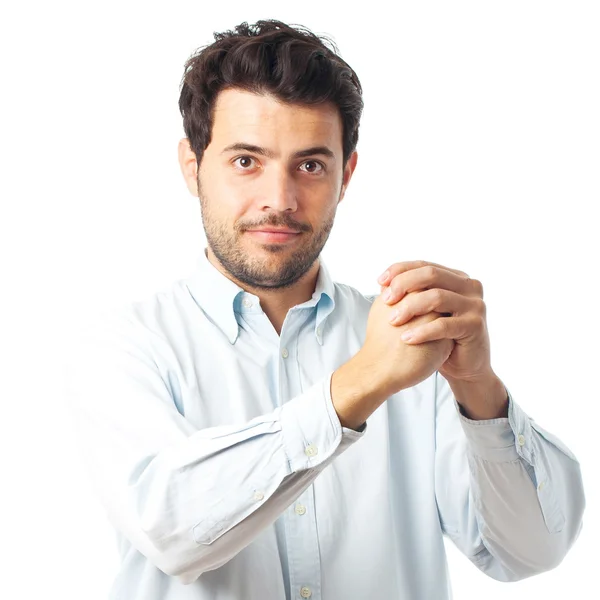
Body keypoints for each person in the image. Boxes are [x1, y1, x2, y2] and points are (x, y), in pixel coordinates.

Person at [65, 18, 586, 600]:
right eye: (246, 161)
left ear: (347, 174)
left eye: (310, 165)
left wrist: (478, 386)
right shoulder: (125, 345)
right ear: (193, 166)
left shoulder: (414, 347)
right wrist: (357, 387)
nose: (279, 200)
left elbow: (533, 552)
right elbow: (171, 530)